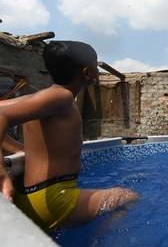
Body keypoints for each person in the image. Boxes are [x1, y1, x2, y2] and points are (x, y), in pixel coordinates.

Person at [0, 41, 139, 231]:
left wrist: (18, 149)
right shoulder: (62, 97)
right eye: (96, 64)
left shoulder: (41, 97)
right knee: (127, 197)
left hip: (27, 196)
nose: (98, 69)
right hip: (51, 200)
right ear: (86, 72)